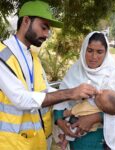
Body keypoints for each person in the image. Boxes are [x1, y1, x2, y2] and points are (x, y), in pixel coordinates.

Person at [0, 1, 97, 150]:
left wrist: (78, 95)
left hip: (38, 142)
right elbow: (21, 99)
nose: (47, 34)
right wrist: (70, 93)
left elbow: (44, 90)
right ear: (26, 21)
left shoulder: (33, 56)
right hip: (13, 145)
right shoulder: (2, 56)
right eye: (43, 27)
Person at [53, 31, 115, 150]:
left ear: (106, 53)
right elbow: (61, 97)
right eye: (90, 50)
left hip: (102, 138)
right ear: (84, 49)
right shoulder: (75, 70)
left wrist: (96, 117)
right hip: (77, 139)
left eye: (99, 52)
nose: (94, 57)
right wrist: (59, 120)